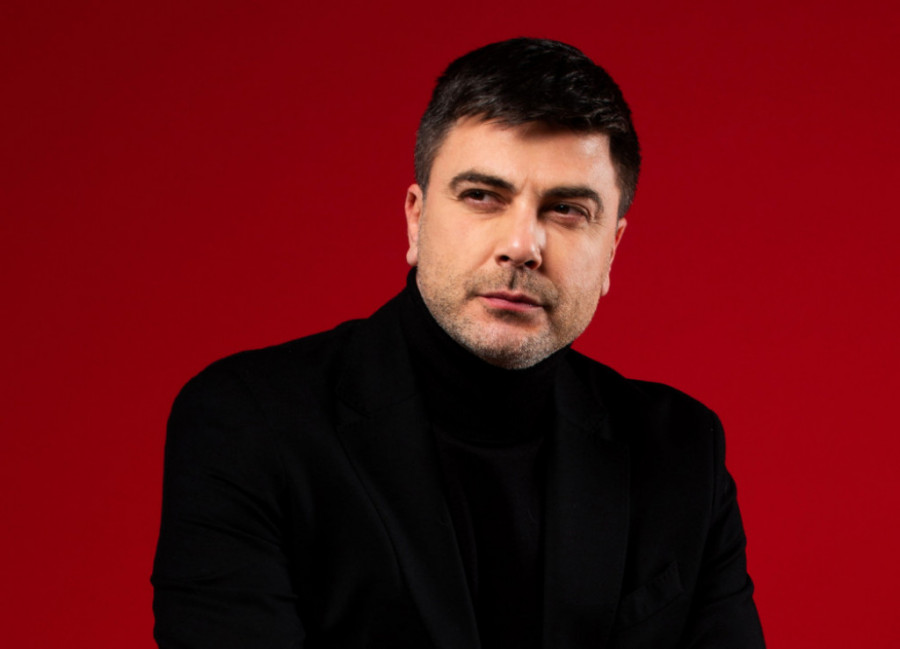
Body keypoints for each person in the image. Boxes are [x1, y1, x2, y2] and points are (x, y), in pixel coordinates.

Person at [151, 38, 765, 648]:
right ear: (416, 219)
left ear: (612, 251)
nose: (521, 246)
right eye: (482, 196)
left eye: (567, 210)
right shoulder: (248, 423)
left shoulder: (682, 451)